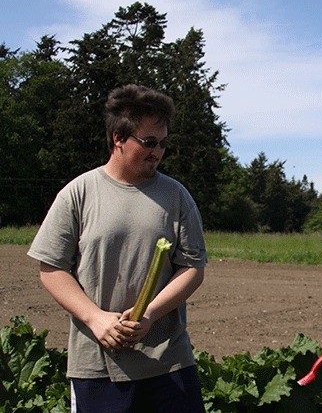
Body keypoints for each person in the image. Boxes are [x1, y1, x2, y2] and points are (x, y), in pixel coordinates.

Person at [28, 84, 207, 412]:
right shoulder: (79, 193)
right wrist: (96, 319)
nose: (157, 152)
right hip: (97, 366)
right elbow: (51, 269)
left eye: (163, 144)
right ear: (118, 138)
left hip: (168, 363)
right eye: (148, 143)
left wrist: (150, 314)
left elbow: (193, 268)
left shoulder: (177, 196)